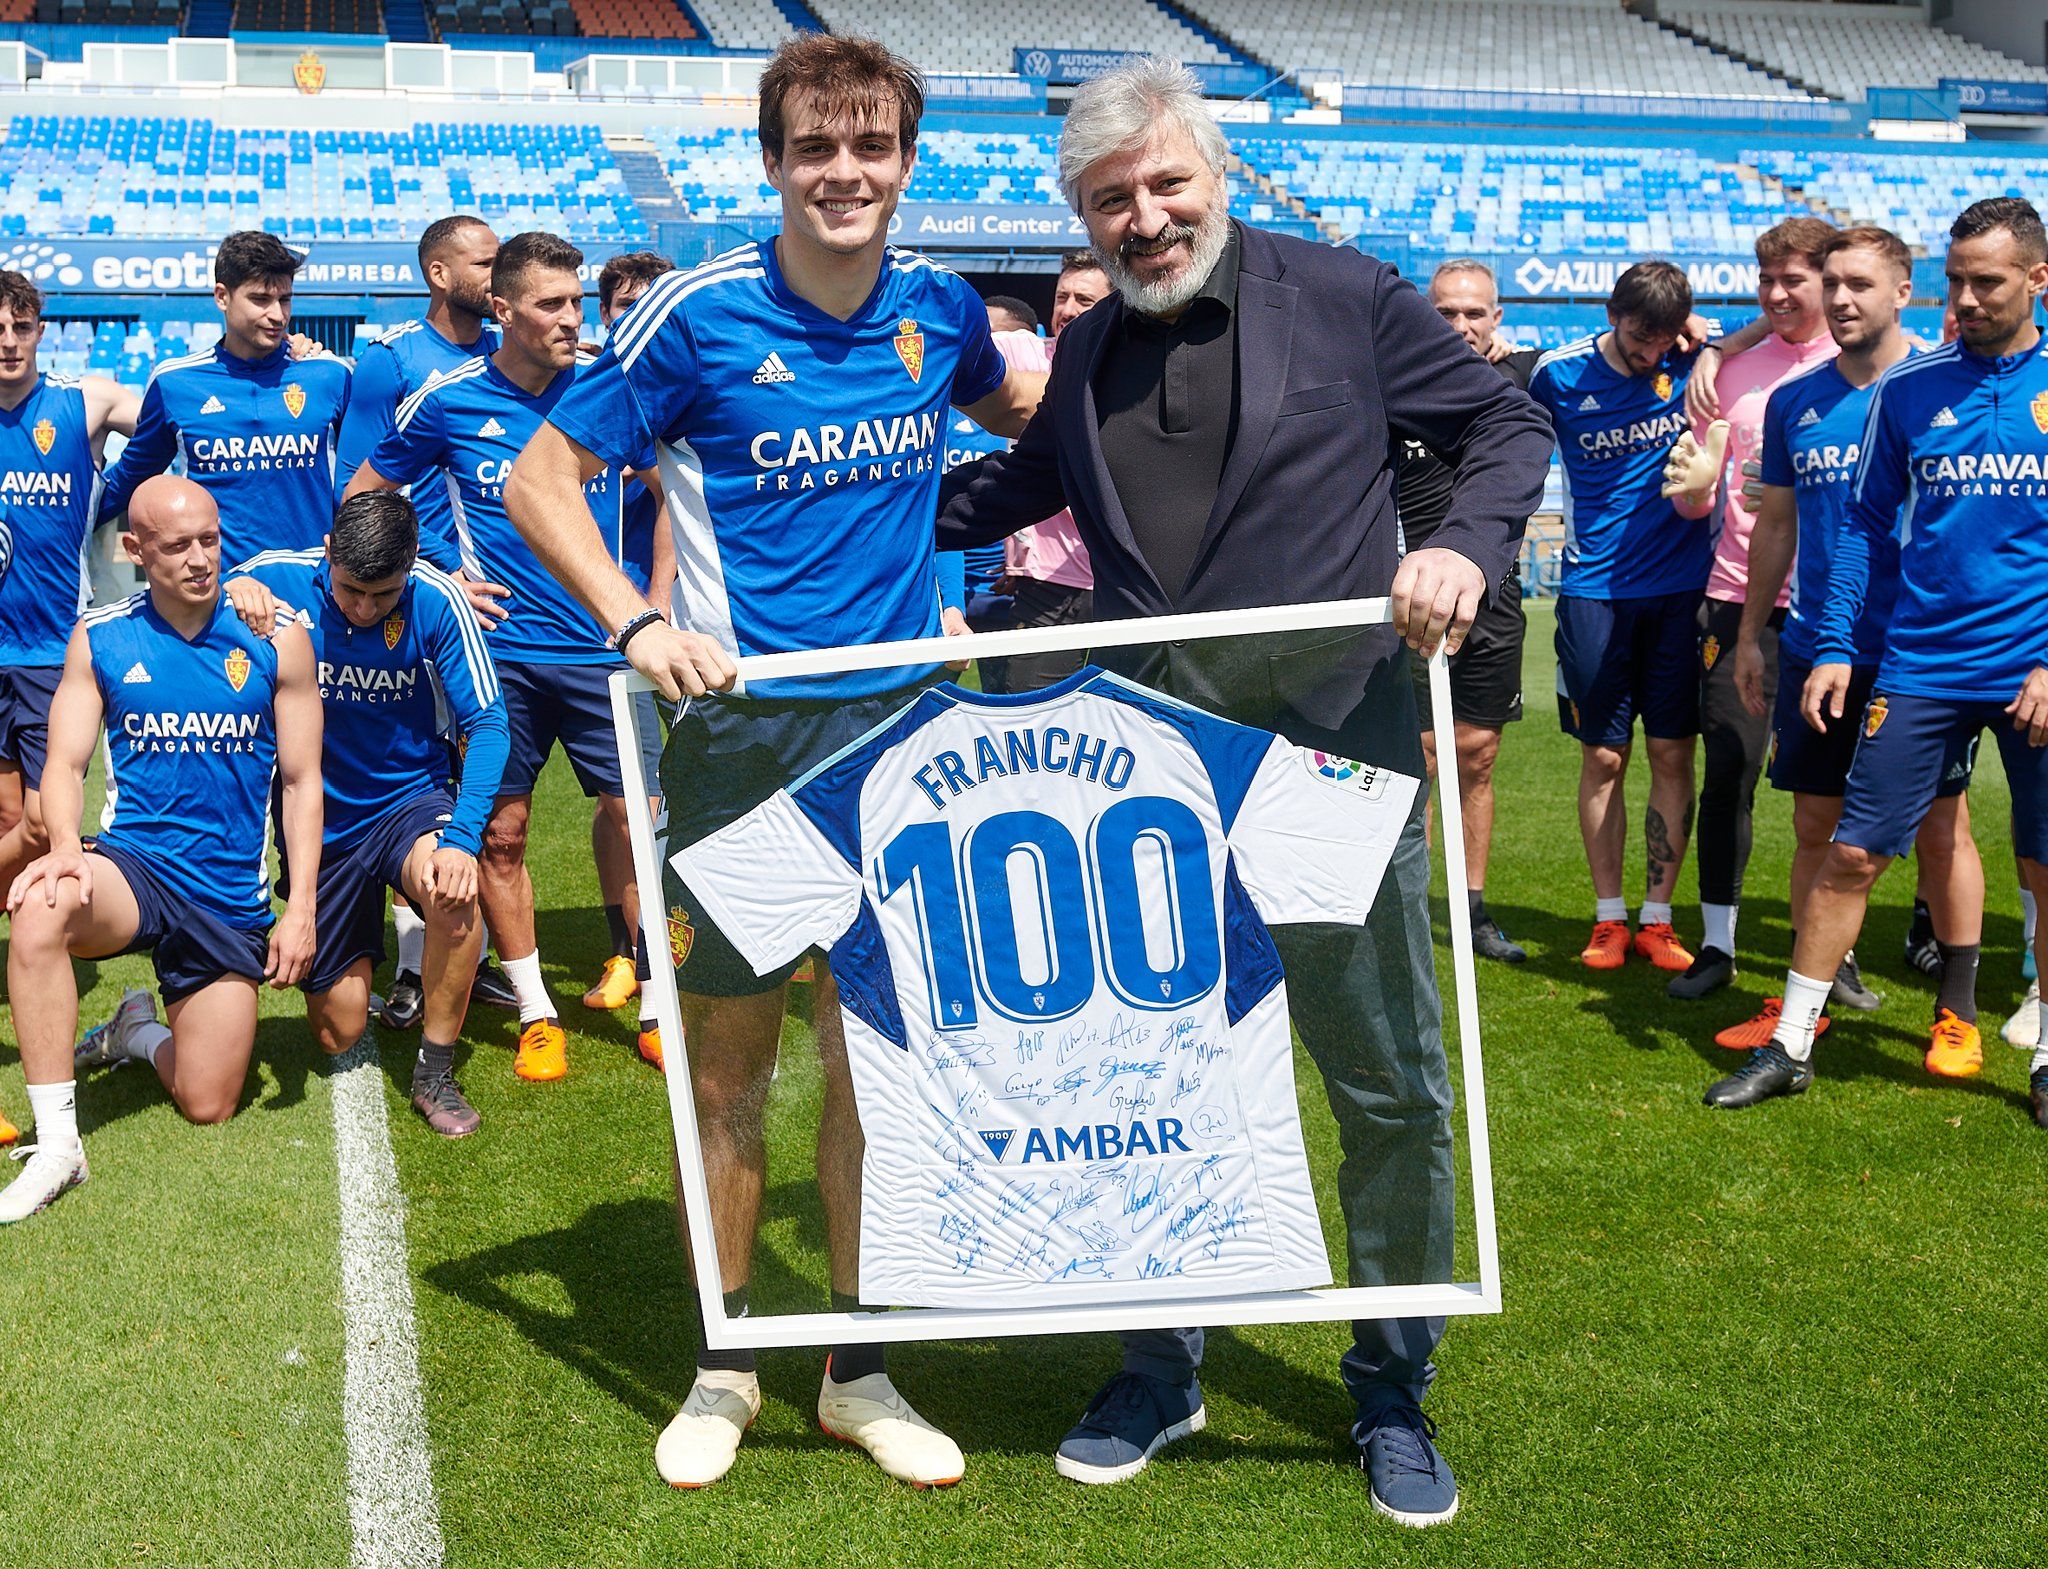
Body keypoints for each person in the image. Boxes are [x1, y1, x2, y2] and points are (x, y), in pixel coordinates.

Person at [934, 57, 1550, 1524]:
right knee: (1151, 1077)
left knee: (1384, 1080)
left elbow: (1506, 430)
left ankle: (1390, 1384)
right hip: (1151, 779)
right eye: (1109, 200)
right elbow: (1004, 495)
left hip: (1337, 752)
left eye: (1165, 183)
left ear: (1213, 173)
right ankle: (1161, 1366)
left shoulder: (1342, 293)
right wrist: (809, 505)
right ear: (1080, 216)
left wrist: (1460, 546)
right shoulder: (1088, 346)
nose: (1143, 218)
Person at [502, 34, 1041, 1490]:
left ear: (907, 164)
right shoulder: (694, 316)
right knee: (728, 1071)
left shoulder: (941, 308)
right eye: (815, 147)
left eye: (871, 147)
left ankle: (858, 1374)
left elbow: (1033, 414)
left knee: (873, 1069)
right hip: (742, 747)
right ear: (772, 161)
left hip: (907, 749)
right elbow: (541, 479)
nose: (843, 173)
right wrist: (634, 622)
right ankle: (725, 1363)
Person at [1703, 197, 2048, 1132]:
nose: (1966, 299)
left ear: (2036, 279)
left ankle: (2042, 1051)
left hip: (2033, 667)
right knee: (1852, 848)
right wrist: (1836, 645)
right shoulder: (1910, 390)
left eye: (1987, 282)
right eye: (1957, 281)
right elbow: (1856, 528)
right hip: (1921, 661)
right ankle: (1793, 1043)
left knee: (2041, 859)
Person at [347, 231, 650, 1083]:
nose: (572, 318)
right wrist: (435, 572)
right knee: (503, 835)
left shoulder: (611, 388)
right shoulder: (447, 401)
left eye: (578, 301)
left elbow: (670, 492)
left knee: (640, 820)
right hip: (500, 660)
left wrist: (653, 596)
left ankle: (658, 1003)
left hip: (603, 651)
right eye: (552, 304)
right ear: (504, 310)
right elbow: (364, 494)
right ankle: (536, 1011)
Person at [0, 477, 321, 1222]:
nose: (200, 559)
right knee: (41, 905)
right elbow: (65, 764)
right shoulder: (101, 635)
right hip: (134, 868)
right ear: (134, 549)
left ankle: (135, 1033)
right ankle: (59, 1147)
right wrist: (65, 848)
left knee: (209, 1102)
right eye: (177, 546)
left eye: (210, 539)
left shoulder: (277, 636)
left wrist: (301, 904)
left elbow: (303, 782)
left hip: (227, 894)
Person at [1712, 226, 1982, 1054]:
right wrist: (1752, 635)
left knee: (1942, 826)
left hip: (1923, 648)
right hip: (1818, 642)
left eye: (1859, 284)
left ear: (1906, 291)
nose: (1839, 299)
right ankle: (1812, 1001)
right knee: (1814, 824)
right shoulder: (1796, 399)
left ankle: (1958, 1011)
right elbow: (1776, 524)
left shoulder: (1943, 388)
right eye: (1830, 283)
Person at [228, 491, 509, 1136]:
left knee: (454, 894)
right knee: (338, 1030)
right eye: (351, 589)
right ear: (329, 552)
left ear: (411, 564)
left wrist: (462, 840)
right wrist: (230, 591)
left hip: (409, 802)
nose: (362, 608)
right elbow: (186, 611)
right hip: (316, 823)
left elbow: (489, 724)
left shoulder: (437, 599)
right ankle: (375, 962)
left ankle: (434, 1072)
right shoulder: (274, 578)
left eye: (382, 595)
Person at [332, 215, 520, 1031]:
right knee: (425, 772)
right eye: (485, 261)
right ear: (439, 273)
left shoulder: (506, 353)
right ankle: (412, 963)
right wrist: (439, 571)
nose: (499, 272)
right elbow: (359, 483)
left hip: (494, 610)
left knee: (475, 783)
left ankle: (455, 954)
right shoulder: (394, 360)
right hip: (420, 600)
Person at [1660, 220, 1844, 1001]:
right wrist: (1694, 493)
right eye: (1765, 279)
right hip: (1738, 601)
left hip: (1836, 607)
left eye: (1792, 279)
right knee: (1729, 772)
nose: (1775, 294)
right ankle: (1717, 944)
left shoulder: (1863, 366)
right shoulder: (1726, 373)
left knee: (1827, 795)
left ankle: (1829, 950)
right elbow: (1696, 500)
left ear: (1829, 280)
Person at [1527, 263, 1710, 976]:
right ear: (1612, 314)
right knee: (1603, 756)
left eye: (1664, 339)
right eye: (1639, 338)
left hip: (1681, 591)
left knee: (1672, 754)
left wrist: (1702, 339)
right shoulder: (1558, 375)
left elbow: (1767, 332)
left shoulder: (1691, 355)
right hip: (1593, 592)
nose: (1650, 354)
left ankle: (1658, 918)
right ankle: (1609, 916)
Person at [0, 267, 142, 1147]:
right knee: (10, 821)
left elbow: (174, 412)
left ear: (41, 331)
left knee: (37, 824)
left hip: (52, 655)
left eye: (21, 326)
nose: (8, 341)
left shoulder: (83, 403)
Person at [1399, 258, 1540, 964]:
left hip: (1495, 602)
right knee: (1418, 757)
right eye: (1446, 313)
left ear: (1496, 319)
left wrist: (1701, 332)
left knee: (1478, 755)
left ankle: (1472, 910)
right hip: (1414, 603)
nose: (1459, 326)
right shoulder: (1395, 382)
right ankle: (1408, 910)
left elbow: (1624, 345)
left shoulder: (1526, 378)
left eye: (1473, 313)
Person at [97, 231, 352, 566]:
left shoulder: (330, 375)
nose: (277, 315)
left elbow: (367, 482)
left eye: (285, 300)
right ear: (222, 296)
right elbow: (129, 480)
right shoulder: (176, 384)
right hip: (220, 588)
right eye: (260, 299)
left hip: (312, 583)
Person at [586, 249, 677, 1068]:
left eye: (652, 299)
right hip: (588, 629)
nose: (636, 314)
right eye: (623, 302)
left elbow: (671, 496)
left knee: (653, 797)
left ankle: (666, 952)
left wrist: (658, 592)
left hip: (664, 619)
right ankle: (627, 947)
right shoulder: (590, 381)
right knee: (621, 799)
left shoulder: (682, 373)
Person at [976, 250, 1103, 697]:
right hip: (1047, 584)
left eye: (1084, 300)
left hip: (1117, 580)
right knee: (1028, 709)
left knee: (1123, 715)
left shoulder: (1133, 367)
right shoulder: (1029, 351)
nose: (1067, 309)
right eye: (1062, 297)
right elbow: (972, 340)